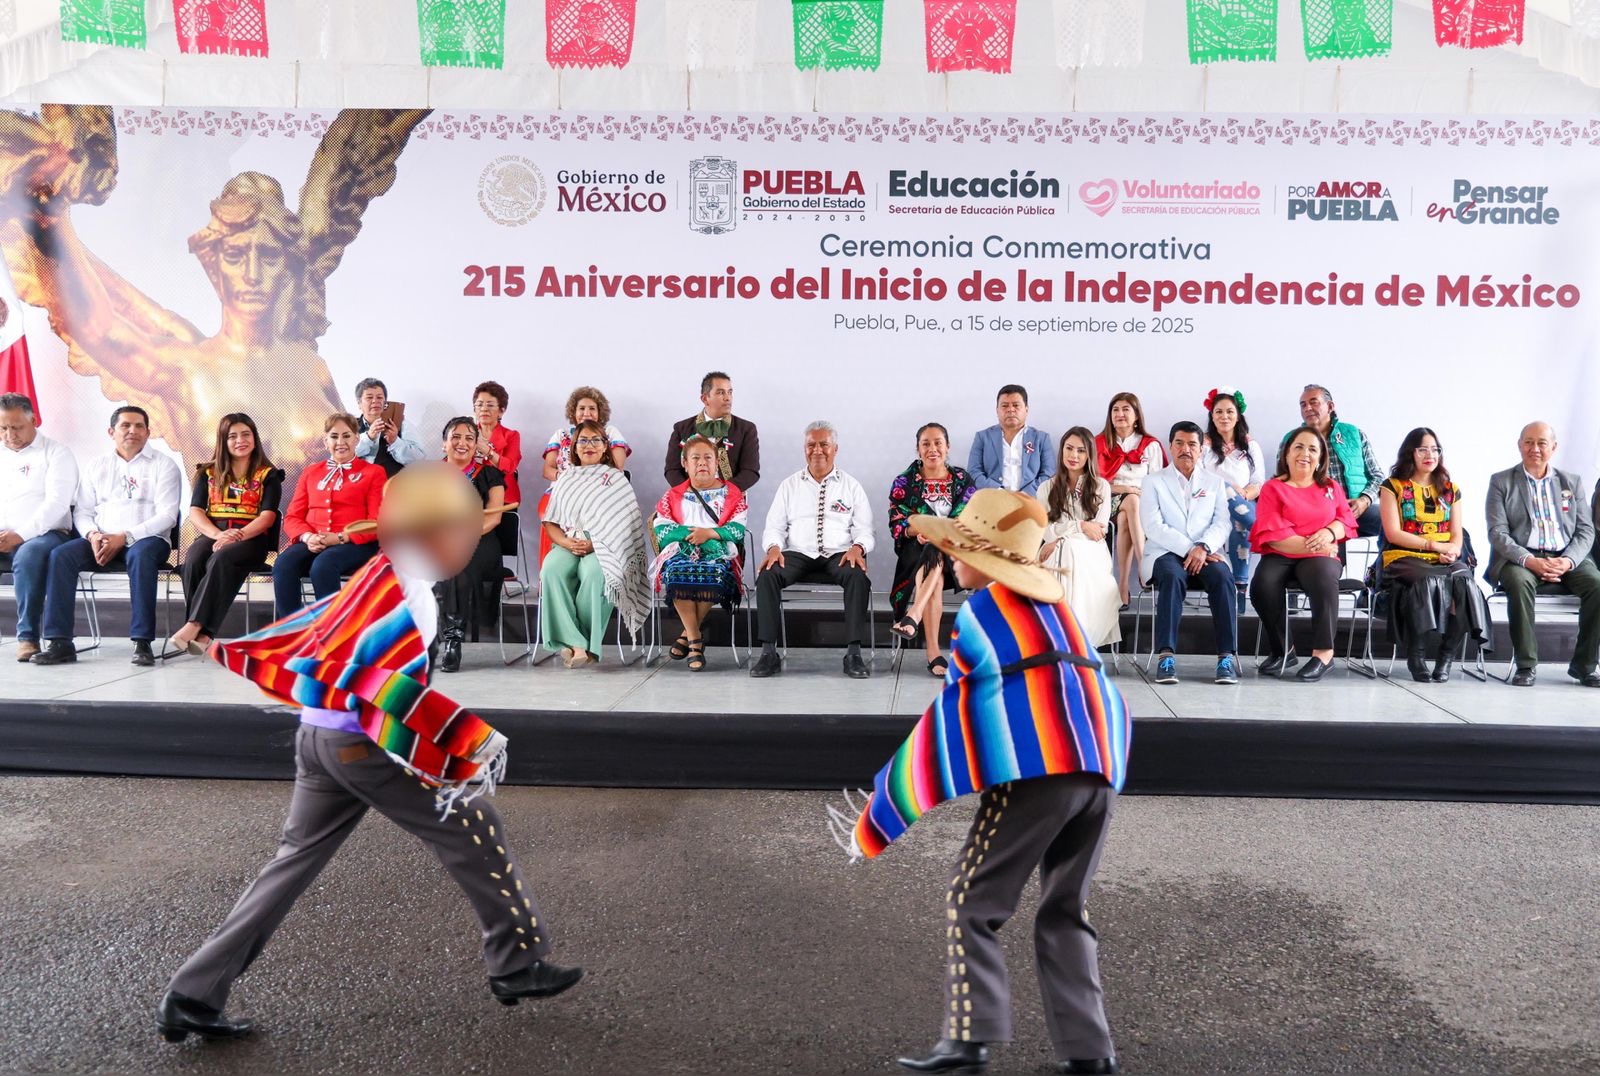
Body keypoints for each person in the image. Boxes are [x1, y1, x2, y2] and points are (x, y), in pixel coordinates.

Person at [158, 463, 583, 1044]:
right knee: (474, 823)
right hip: (356, 742)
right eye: (466, 530)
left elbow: (334, 654)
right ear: (438, 533)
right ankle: (517, 962)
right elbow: (383, 691)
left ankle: (192, 993)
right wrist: (466, 741)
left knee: (291, 863)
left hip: (318, 736)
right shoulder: (409, 591)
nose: (471, 541)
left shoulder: (381, 572)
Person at [831, 488, 1131, 1076]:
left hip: (1040, 764)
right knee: (1064, 909)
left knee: (972, 900)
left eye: (958, 547)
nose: (949, 557)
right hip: (1100, 760)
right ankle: (1090, 1053)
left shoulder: (985, 610)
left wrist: (894, 795)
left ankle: (969, 1044)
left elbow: (959, 709)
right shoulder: (1058, 611)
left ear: (985, 559)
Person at [34, 406, 182, 667]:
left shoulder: (164, 465)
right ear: (111, 432)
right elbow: (83, 512)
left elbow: (168, 515)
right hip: (101, 540)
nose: (132, 430)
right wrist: (93, 535)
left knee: (140, 555)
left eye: (139, 426)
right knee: (61, 555)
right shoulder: (97, 466)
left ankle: (142, 642)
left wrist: (125, 537)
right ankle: (60, 642)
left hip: (148, 540)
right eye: (125, 425)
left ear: (148, 432)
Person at [749, 421, 875, 680]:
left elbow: (865, 529)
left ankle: (853, 654)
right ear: (804, 449)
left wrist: (858, 547)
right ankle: (768, 653)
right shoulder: (789, 485)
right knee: (768, 575)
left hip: (839, 554)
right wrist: (773, 547)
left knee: (857, 577)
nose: (817, 450)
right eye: (811, 445)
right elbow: (774, 526)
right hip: (799, 553)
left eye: (824, 444)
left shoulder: (851, 486)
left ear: (835, 449)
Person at [1484, 422, 1599, 687]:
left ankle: (1585, 667)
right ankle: (1526, 665)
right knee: (1518, 582)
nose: (1534, 448)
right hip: (1521, 558)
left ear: (1553, 447)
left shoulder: (1571, 482)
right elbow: (1497, 532)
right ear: (1519, 445)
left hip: (1566, 556)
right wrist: (1530, 560)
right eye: (1528, 442)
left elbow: (1585, 529)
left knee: (1598, 586)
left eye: (1541, 443)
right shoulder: (1501, 481)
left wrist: (1568, 560)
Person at [1378, 428, 1492, 683]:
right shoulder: (1392, 486)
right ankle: (1416, 656)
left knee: (1465, 584)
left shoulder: (1450, 489)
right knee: (1427, 580)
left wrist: (1452, 551)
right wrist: (1434, 546)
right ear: (1411, 453)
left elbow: (1457, 534)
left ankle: (1446, 656)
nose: (1430, 455)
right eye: (1423, 449)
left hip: (1443, 557)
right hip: (1403, 556)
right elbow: (1393, 533)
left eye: (1435, 449)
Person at [1249, 426, 1359, 682]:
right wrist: (1320, 544)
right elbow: (1275, 534)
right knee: (1263, 583)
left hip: (1320, 558)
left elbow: (1346, 520)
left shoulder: (1331, 487)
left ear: (1320, 457)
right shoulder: (1273, 488)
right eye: (1298, 447)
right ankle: (1283, 650)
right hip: (1282, 552)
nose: (1305, 454)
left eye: (1312, 449)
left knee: (1322, 578)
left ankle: (1324, 654)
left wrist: (1330, 532)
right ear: (1287, 453)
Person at [167, 413, 284, 655]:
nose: (240, 440)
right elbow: (196, 511)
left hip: (251, 538)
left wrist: (236, 535)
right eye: (233, 436)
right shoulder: (207, 472)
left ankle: (194, 625)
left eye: (246, 434)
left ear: (255, 438)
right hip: (214, 534)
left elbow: (267, 517)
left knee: (221, 558)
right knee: (194, 558)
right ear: (223, 441)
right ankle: (203, 635)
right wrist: (218, 535)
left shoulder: (269, 475)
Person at [539, 420, 650, 668]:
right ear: (574, 447)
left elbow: (626, 525)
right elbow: (550, 522)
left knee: (594, 572)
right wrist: (566, 543)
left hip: (604, 544)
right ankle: (578, 645)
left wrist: (594, 544)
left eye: (595, 440)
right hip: (569, 541)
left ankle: (582, 643)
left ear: (605, 446)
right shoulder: (565, 478)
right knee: (551, 570)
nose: (589, 445)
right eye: (583, 440)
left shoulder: (616, 479)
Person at [1140, 421, 1239, 686]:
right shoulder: (1152, 481)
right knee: (1172, 576)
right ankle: (1166, 657)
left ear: (1201, 449)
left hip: (1207, 551)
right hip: (1165, 551)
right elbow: (1152, 525)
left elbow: (1223, 522)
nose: (1186, 449)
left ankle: (1226, 657)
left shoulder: (1215, 483)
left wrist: (1203, 547)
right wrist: (1190, 549)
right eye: (1180, 443)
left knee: (1222, 577)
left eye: (1192, 444)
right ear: (1170, 447)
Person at [649, 435, 750, 672]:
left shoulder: (732, 494)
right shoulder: (673, 495)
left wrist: (710, 535)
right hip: (681, 549)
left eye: (708, 457)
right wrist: (692, 535)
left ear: (716, 463)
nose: (702, 462)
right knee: (677, 572)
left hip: (719, 551)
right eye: (695, 458)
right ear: (685, 464)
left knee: (715, 573)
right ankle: (695, 640)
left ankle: (686, 636)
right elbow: (661, 528)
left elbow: (738, 529)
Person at [271, 413, 385, 618]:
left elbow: (375, 523)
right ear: (326, 441)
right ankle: (294, 630)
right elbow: (293, 517)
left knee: (323, 565)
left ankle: (333, 630)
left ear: (357, 439)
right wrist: (308, 537)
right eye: (334, 436)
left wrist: (340, 537)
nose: (340, 442)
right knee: (283, 564)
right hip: (314, 540)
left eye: (346, 436)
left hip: (356, 543)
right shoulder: (310, 472)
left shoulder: (374, 472)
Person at [889, 423, 978, 677]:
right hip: (916, 551)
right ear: (918, 449)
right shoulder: (904, 482)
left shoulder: (962, 479)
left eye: (938, 443)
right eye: (926, 444)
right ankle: (933, 652)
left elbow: (969, 519)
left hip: (955, 551)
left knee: (935, 548)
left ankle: (914, 616)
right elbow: (896, 523)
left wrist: (938, 532)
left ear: (947, 447)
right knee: (932, 563)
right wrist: (917, 530)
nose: (932, 449)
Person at [0, 393, 78, 664]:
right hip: (4, 535)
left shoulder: (56, 453)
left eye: (16, 427)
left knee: (28, 555)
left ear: (34, 421)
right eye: (3, 428)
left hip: (47, 535)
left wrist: (19, 535)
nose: (10, 435)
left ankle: (27, 637)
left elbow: (57, 504)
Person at [437, 416, 512, 674]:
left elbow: (493, 518)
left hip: (480, 541)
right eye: (455, 437)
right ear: (444, 443)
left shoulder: (490, 474)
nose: (463, 443)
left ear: (476, 444)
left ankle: (453, 640)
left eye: (470, 438)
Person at [1036, 427, 1122, 650]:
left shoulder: (1101, 486)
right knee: (1066, 550)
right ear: (1062, 450)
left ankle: (1066, 639)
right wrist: (1081, 525)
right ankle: (1071, 639)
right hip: (1053, 552)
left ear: (1089, 455)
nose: (1073, 455)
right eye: (1069, 448)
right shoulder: (1046, 488)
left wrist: (1062, 538)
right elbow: (1046, 531)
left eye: (1081, 451)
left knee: (1069, 548)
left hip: (1091, 554)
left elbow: (1099, 531)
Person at [1094, 392, 1167, 608]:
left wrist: (1137, 494)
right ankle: (1145, 566)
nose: (1120, 414)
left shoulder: (1150, 445)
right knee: (1131, 501)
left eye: (1126, 409)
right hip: (1106, 504)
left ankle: (1123, 586)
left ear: (1136, 415)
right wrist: (1125, 489)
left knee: (1127, 514)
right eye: (1115, 410)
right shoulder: (1099, 443)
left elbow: (1158, 484)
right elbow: (1093, 484)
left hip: (1143, 506)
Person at [1200, 386, 1267, 608]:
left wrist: (1243, 492)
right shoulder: (1203, 445)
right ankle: (1263, 533)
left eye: (1229, 411)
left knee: (1239, 521)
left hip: (1242, 503)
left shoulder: (1250, 445)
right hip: (1208, 503)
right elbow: (1197, 477)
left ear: (1238, 415)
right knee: (1224, 488)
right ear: (1212, 416)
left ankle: (1240, 588)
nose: (1224, 416)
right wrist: (1227, 487)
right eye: (1218, 412)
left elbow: (1258, 482)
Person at [1290, 384, 1384, 540]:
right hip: (1317, 514)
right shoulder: (1292, 440)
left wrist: (1364, 500)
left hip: (1357, 510)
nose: (1307, 408)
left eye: (1313, 402)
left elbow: (1377, 476)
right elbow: (1285, 483)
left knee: (1393, 521)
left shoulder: (1354, 434)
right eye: (1303, 405)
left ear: (1330, 406)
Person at [664, 370, 760, 492]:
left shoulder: (746, 429)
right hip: (689, 496)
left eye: (730, 392)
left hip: (730, 496)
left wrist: (722, 492)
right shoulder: (681, 428)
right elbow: (672, 470)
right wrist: (691, 493)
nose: (727, 398)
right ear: (705, 398)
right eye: (721, 392)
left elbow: (750, 471)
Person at [966, 384, 1054, 496]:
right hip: (993, 498)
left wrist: (1025, 494)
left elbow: (1049, 474)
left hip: (1031, 499)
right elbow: (974, 472)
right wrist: (1000, 492)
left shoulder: (1041, 438)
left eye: (1016, 405)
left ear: (1026, 409)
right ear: (997, 410)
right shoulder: (982, 437)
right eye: (1005, 406)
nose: (1011, 409)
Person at [471, 380, 523, 548]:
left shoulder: (511, 435)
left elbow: (510, 466)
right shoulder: (466, 433)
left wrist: (487, 451)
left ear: (502, 410)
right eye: (479, 404)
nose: (484, 409)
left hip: (503, 499)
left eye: (490, 405)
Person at [542, 386, 629, 480]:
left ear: (600, 412)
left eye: (592, 408)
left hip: (602, 485)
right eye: (582, 408)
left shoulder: (610, 432)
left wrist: (588, 484)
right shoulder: (561, 435)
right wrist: (568, 480)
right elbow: (547, 470)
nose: (587, 413)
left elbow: (617, 468)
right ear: (573, 412)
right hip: (564, 486)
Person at [352, 377, 427, 478]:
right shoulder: (350, 425)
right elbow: (341, 456)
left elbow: (419, 459)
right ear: (359, 403)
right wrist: (368, 438)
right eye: (369, 397)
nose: (375, 401)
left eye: (379, 397)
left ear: (385, 402)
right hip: (358, 482)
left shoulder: (401, 424)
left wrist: (395, 441)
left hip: (392, 483)